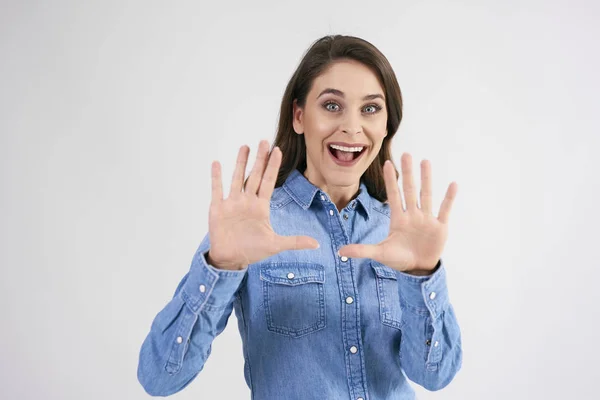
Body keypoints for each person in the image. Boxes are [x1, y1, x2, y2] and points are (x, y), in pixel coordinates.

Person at [137, 34, 462, 399]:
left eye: (370, 109)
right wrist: (220, 265)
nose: (352, 127)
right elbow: (159, 376)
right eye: (332, 106)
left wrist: (421, 276)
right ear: (299, 116)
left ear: (387, 125)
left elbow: (435, 376)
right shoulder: (252, 225)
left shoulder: (398, 230)